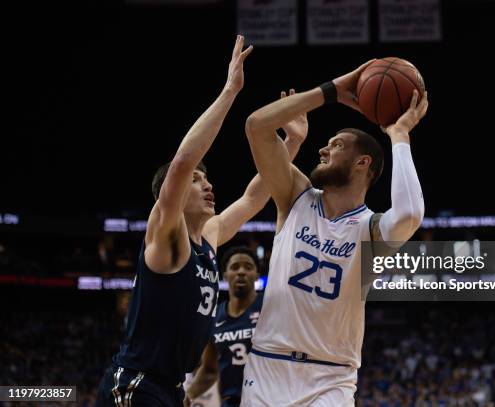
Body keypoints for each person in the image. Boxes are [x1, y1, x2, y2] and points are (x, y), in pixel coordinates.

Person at [95, 36, 305, 407]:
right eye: (197, 180)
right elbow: (182, 161)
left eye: (207, 179)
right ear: (172, 193)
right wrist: (230, 91)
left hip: (171, 388)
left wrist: (291, 143)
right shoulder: (167, 234)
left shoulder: (209, 235)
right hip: (136, 383)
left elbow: (255, 196)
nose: (207, 184)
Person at [241, 60, 429, 406]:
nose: (323, 149)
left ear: (363, 163)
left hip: (331, 379)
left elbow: (410, 213)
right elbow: (257, 126)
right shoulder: (295, 196)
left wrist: (399, 136)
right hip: (267, 367)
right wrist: (331, 91)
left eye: (336, 144)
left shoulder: (370, 230)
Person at [184, 246, 263, 407]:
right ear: (225, 276)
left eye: (248, 267)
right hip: (230, 401)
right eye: (234, 267)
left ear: (256, 275)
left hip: (266, 399)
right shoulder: (214, 315)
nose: (241, 272)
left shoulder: (268, 306)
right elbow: (209, 370)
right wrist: (188, 396)